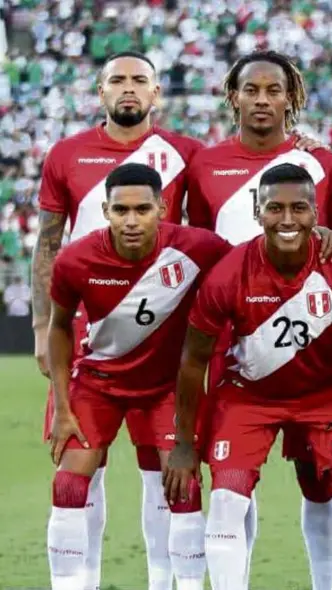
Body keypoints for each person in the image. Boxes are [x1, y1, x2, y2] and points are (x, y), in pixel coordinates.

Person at [163, 163, 332, 590]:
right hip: (248, 398)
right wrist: (184, 443)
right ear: (257, 212)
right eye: (274, 208)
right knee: (225, 502)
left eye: (299, 208)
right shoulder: (229, 273)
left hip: (327, 396)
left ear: (317, 214)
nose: (287, 219)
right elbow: (192, 362)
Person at [185, 50, 332, 590]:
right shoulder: (204, 165)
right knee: (233, 478)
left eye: (274, 90)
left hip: (306, 338)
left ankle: (324, 583)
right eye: (252, 90)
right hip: (228, 339)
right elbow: (199, 241)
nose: (263, 100)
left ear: (292, 96)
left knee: (319, 478)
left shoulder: (324, 165)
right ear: (232, 96)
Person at [31, 51, 204, 590]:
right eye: (116, 81)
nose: (128, 89)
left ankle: (162, 580)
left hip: (162, 338)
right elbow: (48, 242)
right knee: (87, 465)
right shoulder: (67, 154)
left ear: (157, 94)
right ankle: (83, 578)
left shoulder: (188, 155)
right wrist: (42, 327)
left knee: (163, 471)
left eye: (139, 81)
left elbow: (211, 228)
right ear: (99, 93)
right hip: (86, 337)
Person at [45, 163, 231, 590]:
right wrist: (60, 404)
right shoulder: (76, 259)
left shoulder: (197, 247)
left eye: (142, 209)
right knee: (70, 486)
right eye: (121, 210)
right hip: (97, 385)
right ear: (105, 211)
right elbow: (58, 327)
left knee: (183, 488)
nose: (131, 221)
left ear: (162, 208)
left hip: (167, 389)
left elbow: (253, 259)